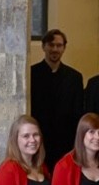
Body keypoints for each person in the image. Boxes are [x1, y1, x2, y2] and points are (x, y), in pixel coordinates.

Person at [30, 29, 84, 169]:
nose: (55, 49)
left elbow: (78, 113)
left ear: (64, 48)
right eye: (51, 45)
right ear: (43, 47)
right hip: (38, 141)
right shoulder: (31, 74)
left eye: (59, 45)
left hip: (65, 143)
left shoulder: (74, 78)